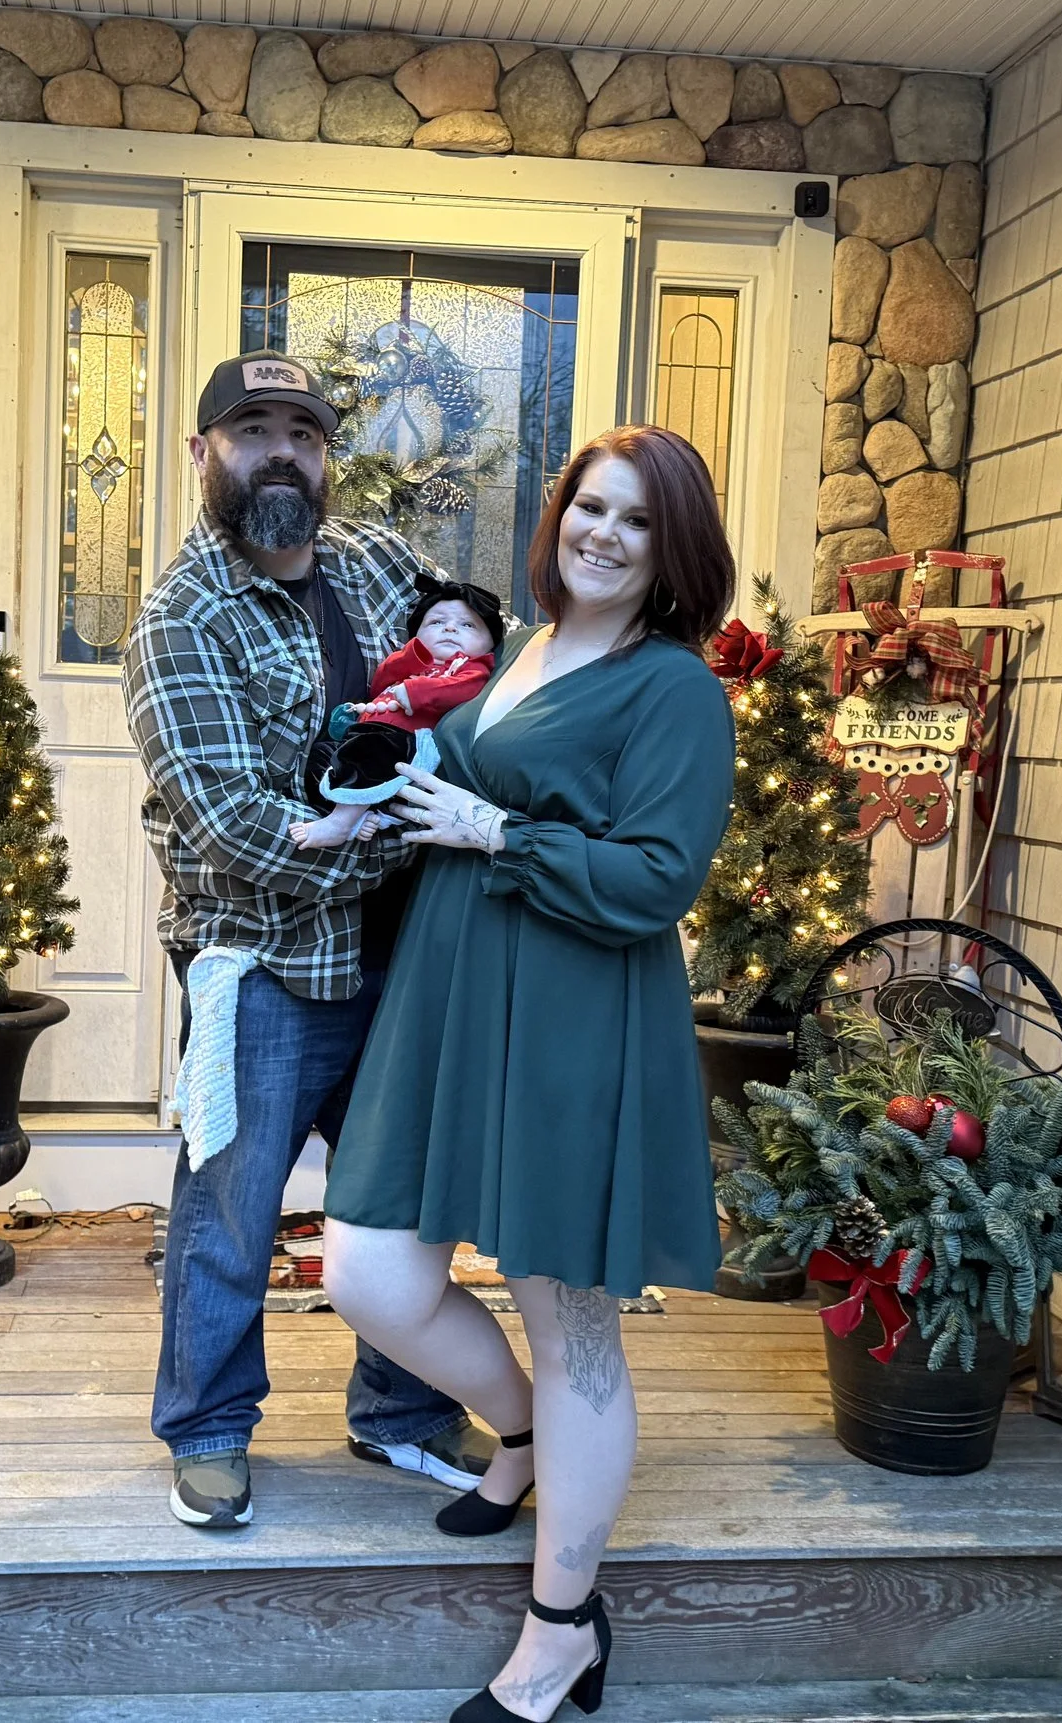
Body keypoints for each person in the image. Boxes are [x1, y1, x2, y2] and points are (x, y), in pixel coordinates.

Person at [320, 425, 738, 1723]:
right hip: (454, 999)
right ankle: (516, 1439)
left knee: (574, 1323)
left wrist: (496, 825)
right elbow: (462, 786)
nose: (602, 533)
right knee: (369, 1269)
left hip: (572, 1016)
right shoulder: (524, 651)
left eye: (636, 520)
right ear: (558, 514)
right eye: (588, 506)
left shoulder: (676, 689)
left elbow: (660, 876)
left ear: (673, 553)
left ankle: (561, 1628)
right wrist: (382, 788)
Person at [122, 349, 496, 1530]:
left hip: (409, 957)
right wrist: (442, 837)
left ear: (325, 457)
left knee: (401, 1202)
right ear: (202, 455)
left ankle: (403, 1412)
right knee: (232, 1209)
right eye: (250, 430)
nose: (280, 450)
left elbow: (473, 666)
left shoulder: (384, 563)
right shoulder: (178, 623)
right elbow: (243, 834)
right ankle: (209, 1428)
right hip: (264, 970)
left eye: (303, 431)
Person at [289, 576, 503, 849]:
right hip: (369, 732)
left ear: (489, 644)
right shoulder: (412, 663)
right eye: (436, 622)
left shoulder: (470, 668)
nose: (449, 628)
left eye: (467, 625)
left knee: (370, 751)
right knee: (322, 756)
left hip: (407, 741)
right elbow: (380, 682)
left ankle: (340, 824)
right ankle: (359, 813)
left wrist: (418, 692)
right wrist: (411, 656)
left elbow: (461, 691)